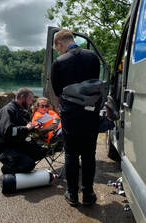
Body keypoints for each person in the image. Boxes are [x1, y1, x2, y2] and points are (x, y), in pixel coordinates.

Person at [51, 29, 100, 206]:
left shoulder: (59, 62)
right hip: (90, 113)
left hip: (70, 115)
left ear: (60, 43)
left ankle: (72, 194)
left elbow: (57, 91)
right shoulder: (93, 57)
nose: (59, 51)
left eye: (58, 48)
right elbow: (95, 84)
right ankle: (87, 193)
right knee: (89, 154)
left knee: (71, 153)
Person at [0, 87, 48, 174]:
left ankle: (20, 161)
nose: (31, 103)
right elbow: (8, 132)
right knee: (29, 164)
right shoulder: (8, 110)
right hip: (5, 148)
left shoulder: (20, 109)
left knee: (42, 152)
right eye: (30, 99)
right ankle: (8, 168)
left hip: (17, 143)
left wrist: (33, 127)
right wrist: (26, 128)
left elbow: (24, 128)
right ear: (22, 97)